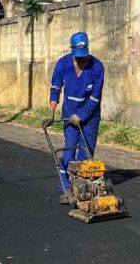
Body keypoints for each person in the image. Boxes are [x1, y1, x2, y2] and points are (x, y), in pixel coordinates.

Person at [42, 32, 105, 204]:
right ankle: (65, 188)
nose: (81, 60)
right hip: (69, 114)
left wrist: (82, 115)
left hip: (90, 117)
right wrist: (51, 111)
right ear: (72, 51)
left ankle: (83, 189)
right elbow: (55, 88)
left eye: (83, 57)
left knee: (85, 154)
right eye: (78, 57)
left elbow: (95, 98)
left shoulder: (98, 67)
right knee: (69, 152)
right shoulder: (63, 64)